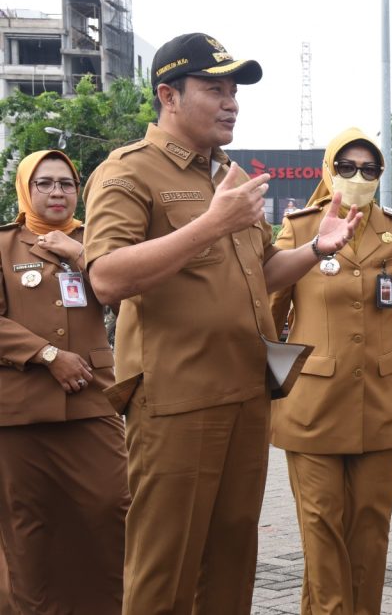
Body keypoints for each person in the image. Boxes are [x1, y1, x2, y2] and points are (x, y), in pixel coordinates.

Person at [83, 32, 362, 614]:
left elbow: (260, 270)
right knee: (166, 567)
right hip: (177, 400)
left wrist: (315, 250)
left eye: (234, 90)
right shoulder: (128, 172)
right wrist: (208, 226)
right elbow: (106, 278)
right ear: (169, 95)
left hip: (245, 394)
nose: (231, 101)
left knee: (232, 560)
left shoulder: (229, 174)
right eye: (215, 88)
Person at [269, 127, 392, 615]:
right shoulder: (301, 228)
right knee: (321, 527)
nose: (358, 176)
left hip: (381, 401)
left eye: (369, 169)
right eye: (346, 167)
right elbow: (266, 308)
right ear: (329, 171)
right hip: (311, 404)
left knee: (369, 528)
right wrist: (264, 383)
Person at [0, 150, 129, 614]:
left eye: (67, 184)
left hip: (92, 401)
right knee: (29, 524)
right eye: (45, 183)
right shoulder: (3, 245)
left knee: (111, 508)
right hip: (19, 410)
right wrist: (46, 354)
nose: (57, 192)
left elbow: (132, 304)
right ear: (26, 189)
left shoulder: (99, 243)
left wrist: (83, 254)